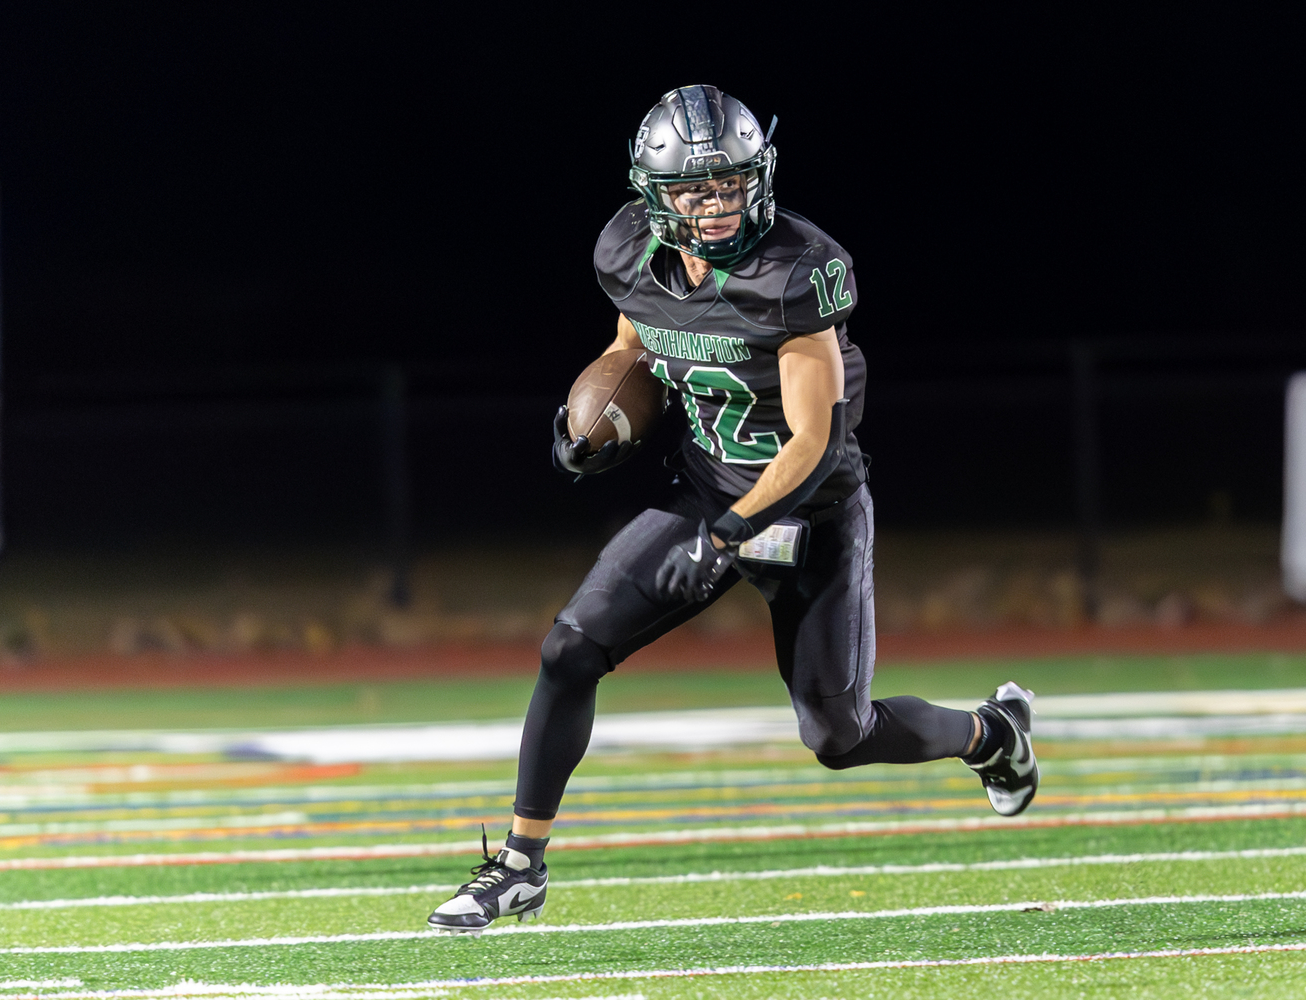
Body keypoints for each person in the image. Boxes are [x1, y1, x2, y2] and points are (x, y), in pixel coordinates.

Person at [427, 85, 1038, 934]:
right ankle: (520, 867)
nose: (715, 206)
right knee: (569, 649)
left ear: (760, 177)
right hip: (708, 493)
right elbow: (631, 343)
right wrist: (593, 418)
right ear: (656, 196)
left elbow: (814, 443)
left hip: (812, 512)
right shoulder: (630, 253)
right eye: (694, 190)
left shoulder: (795, 270)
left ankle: (992, 733)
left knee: (839, 735)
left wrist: (730, 534)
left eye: (731, 185)